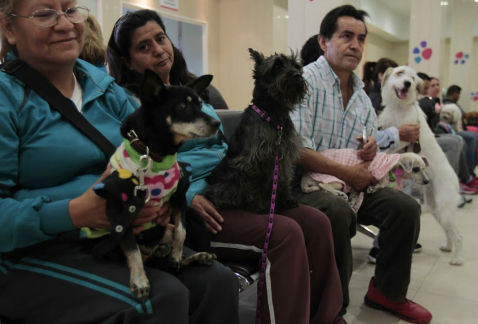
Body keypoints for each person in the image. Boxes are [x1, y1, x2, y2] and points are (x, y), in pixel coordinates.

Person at [0, 1, 238, 323]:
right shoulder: (8, 98)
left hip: (118, 233)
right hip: (38, 249)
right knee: (160, 298)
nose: (65, 24)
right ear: (9, 28)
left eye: (71, 10)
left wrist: (169, 192)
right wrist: (74, 212)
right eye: (44, 13)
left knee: (216, 282)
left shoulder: (104, 89)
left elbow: (164, 150)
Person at [107, 9, 344, 324]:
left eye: (160, 39)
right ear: (127, 61)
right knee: (284, 235)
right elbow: (136, 167)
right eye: (144, 47)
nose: (158, 50)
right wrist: (189, 197)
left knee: (316, 222)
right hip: (197, 207)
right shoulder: (131, 106)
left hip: (232, 188)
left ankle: (325, 318)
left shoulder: (191, 93)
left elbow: (221, 145)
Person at [291, 5, 432, 324]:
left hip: (348, 180)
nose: (355, 44)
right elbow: (296, 149)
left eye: (361, 38)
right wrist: (350, 173)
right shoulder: (302, 82)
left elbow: (364, 144)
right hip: (301, 183)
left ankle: (387, 291)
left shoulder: (361, 96)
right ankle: (331, 310)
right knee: (337, 213)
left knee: (405, 208)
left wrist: (369, 148)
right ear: (324, 41)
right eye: (346, 36)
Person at [427, 77, 478, 192]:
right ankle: (452, 180)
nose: (436, 87)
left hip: (442, 130)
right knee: (460, 140)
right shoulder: (428, 102)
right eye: (432, 85)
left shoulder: (438, 102)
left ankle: (467, 176)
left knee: (467, 138)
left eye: (437, 85)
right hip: (436, 131)